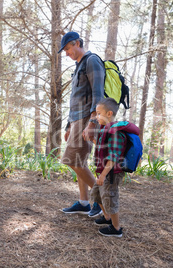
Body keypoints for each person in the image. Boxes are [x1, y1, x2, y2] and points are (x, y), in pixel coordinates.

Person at [58, 31, 105, 217]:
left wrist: (93, 121)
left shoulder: (92, 61)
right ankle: (84, 202)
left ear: (77, 43)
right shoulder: (78, 67)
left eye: (68, 48)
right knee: (78, 160)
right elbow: (76, 99)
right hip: (77, 119)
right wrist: (69, 126)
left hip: (87, 117)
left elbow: (98, 93)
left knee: (70, 159)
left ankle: (100, 197)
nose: (67, 53)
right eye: (65, 51)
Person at [90, 98, 128, 237]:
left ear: (109, 113)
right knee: (96, 194)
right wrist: (92, 140)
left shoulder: (115, 131)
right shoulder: (104, 129)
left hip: (111, 173)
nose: (96, 116)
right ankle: (107, 218)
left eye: (99, 113)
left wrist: (103, 175)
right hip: (104, 171)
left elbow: (113, 157)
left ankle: (116, 228)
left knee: (110, 197)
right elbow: (103, 149)